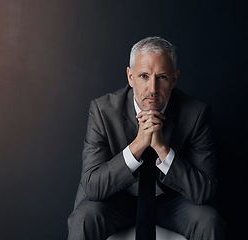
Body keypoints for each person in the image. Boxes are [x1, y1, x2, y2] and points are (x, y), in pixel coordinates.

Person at [68, 37, 225, 240]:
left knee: (208, 220)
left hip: (170, 201)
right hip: (117, 199)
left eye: (162, 77)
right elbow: (92, 186)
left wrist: (163, 150)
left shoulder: (196, 114)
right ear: (130, 77)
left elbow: (204, 190)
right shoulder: (103, 111)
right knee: (85, 217)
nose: (152, 88)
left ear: (174, 79)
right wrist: (137, 146)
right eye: (144, 76)